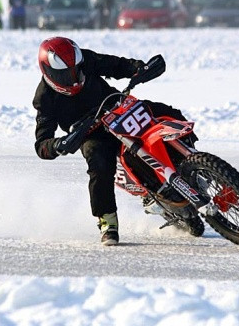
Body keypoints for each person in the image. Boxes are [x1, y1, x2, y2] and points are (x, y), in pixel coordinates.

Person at [32, 37, 192, 246]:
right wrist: (58, 145)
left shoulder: (86, 58)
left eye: (76, 69)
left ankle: (194, 163)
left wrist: (138, 68)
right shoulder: (44, 98)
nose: (73, 77)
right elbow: (41, 144)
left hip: (120, 108)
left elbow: (115, 65)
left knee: (170, 113)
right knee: (98, 161)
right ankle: (107, 220)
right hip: (90, 132)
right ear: (49, 73)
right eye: (65, 74)